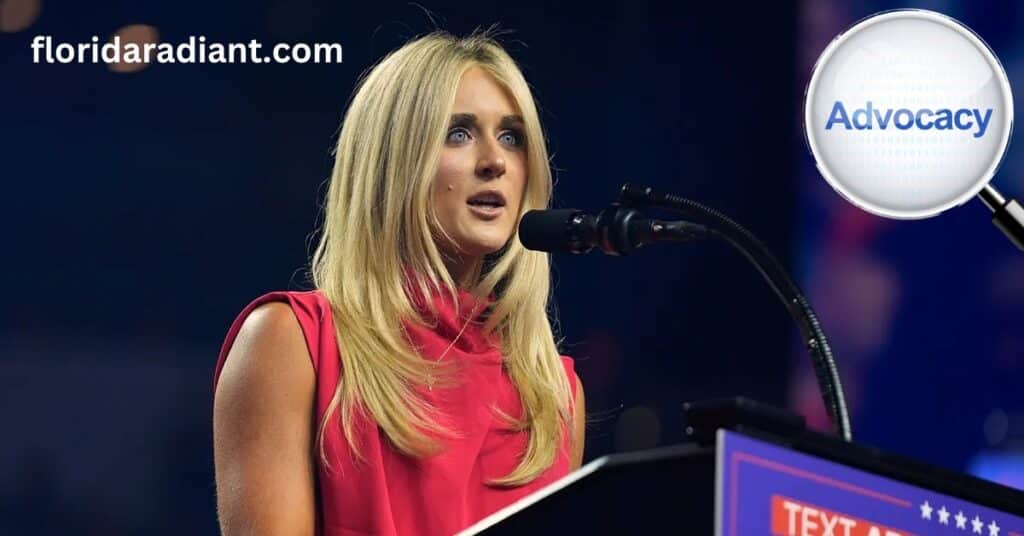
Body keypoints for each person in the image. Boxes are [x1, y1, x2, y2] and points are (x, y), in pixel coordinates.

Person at [211, 30, 585, 536]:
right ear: (392, 162)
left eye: (511, 136)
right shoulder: (291, 343)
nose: (495, 161)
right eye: (458, 132)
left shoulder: (552, 393)